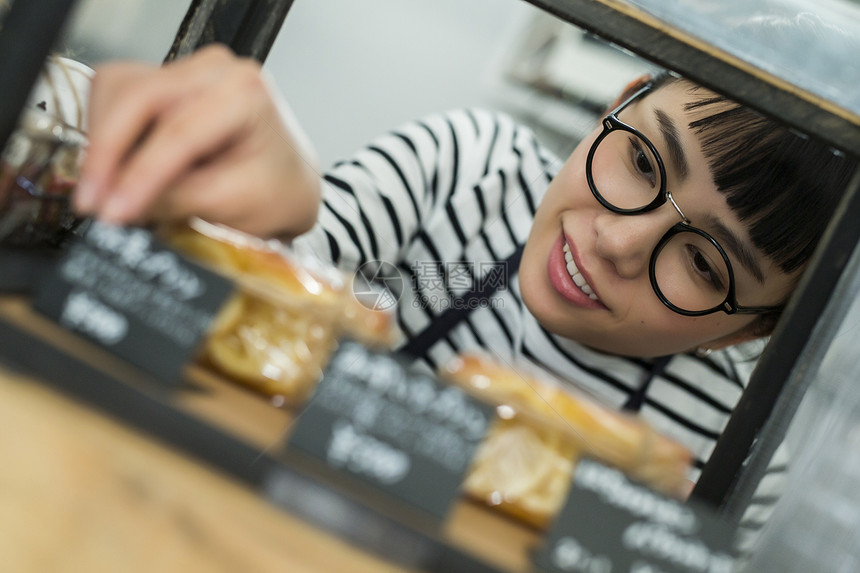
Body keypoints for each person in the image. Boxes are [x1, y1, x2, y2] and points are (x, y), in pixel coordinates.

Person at [69, 44, 854, 547]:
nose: (618, 241)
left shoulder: (734, 451)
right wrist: (264, 209)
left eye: (706, 267)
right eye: (645, 163)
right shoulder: (467, 171)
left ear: (738, 334)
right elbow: (273, 269)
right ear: (615, 102)